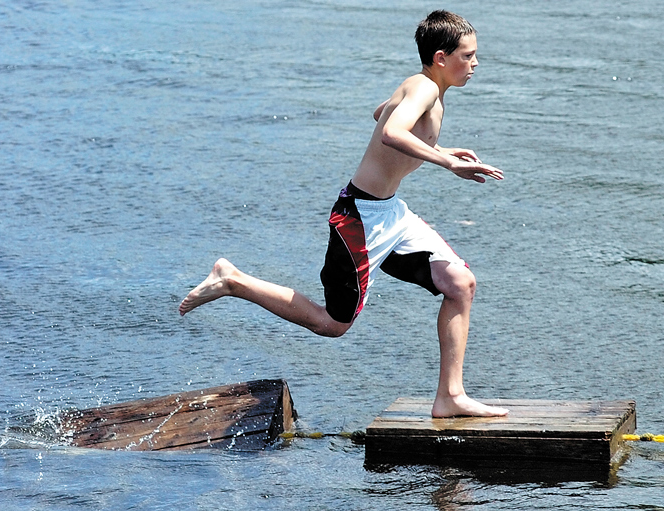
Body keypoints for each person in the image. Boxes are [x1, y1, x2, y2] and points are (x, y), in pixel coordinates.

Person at [179, 10, 508, 418]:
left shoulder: (422, 86)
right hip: (360, 218)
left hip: (392, 213)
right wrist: (448, 164)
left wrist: (439, 148)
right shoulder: (423, 87)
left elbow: (380, 114)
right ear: (441, 57)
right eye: (468, 55)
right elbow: (390, 132)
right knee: (332, 324)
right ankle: (232, 281)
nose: (475, 64)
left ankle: (450, 396)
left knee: (460, 283)